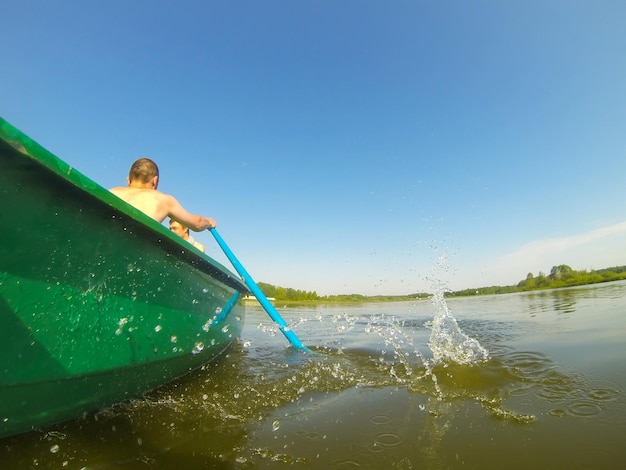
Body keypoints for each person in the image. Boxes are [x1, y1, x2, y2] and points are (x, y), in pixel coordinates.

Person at [110, 157, 216, 232]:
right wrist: (209, 222)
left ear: (128, 180)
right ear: (155, 181)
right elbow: (197, 224)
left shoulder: (112, 192)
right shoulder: (163, 200)